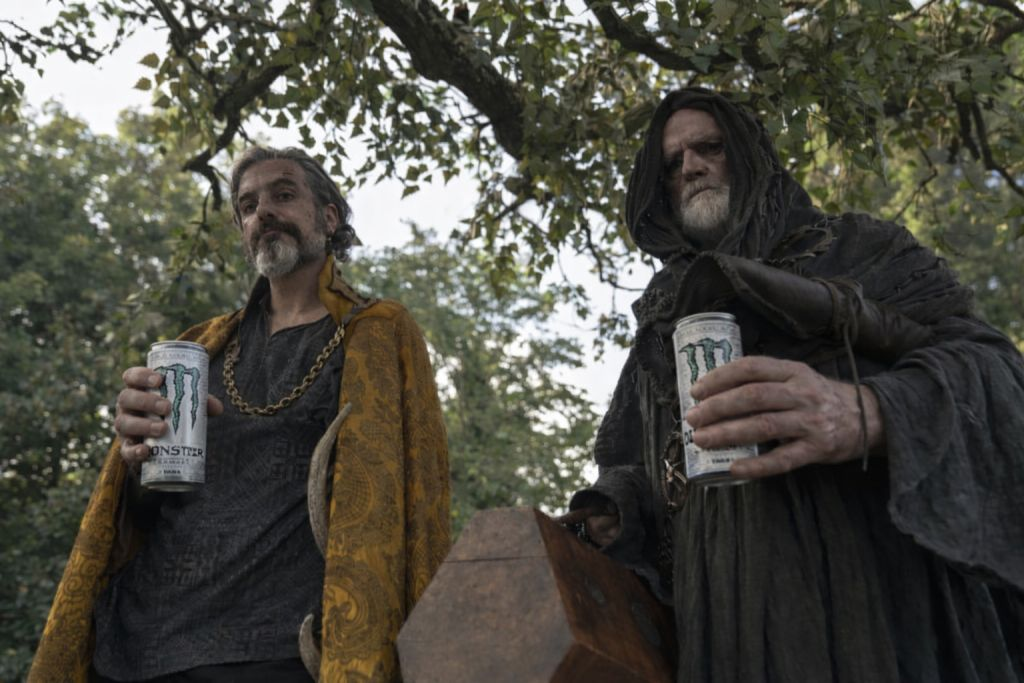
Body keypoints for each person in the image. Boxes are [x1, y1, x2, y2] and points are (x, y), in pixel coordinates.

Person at [567, 88, 1024, 681]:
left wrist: (868, 413)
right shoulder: (660, 323)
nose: (691, 168)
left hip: (879, 598)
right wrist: (615, 509)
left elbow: (996, 374)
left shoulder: (861, 248)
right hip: (728, 619)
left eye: (710, 148)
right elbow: (635, 459)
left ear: (749, 156)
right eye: (673, 164)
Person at [29, 147, 451, 682]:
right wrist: (135, 458)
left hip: (276, 648)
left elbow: (413, 498)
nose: (263, 212)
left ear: (329, 218)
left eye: (283, 194)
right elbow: (143, 509)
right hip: (141, 645)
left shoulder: (377, 331)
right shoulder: (202, 345)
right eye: (248, 206)